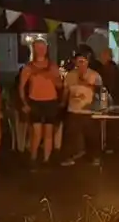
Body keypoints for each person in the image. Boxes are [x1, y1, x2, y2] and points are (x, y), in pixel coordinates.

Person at [18, 38, 62, 167]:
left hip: (50, 101)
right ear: (34, 49)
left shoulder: (52, 66)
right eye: (38, 47)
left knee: (48, 132)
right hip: (35, 101)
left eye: (43, 47)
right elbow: (21, 87)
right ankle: (33, 157)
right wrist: (24, 103)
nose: (41, 50)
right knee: (36, 133)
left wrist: (52, 77)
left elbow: (60, 85)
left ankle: (46, 159)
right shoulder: (29, 67)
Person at [61, 51, 102, 166]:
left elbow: (100, 92)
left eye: (83, 61)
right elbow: (66, 91)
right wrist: (63, 103)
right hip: (73, 110)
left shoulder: (95, 75)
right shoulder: (70, 75)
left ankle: (95, 156)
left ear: (87, 62)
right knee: (70, 135)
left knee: (92, 135)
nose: (81, 64)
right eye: (79, 62)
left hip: (88, 110)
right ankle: (68, 157)